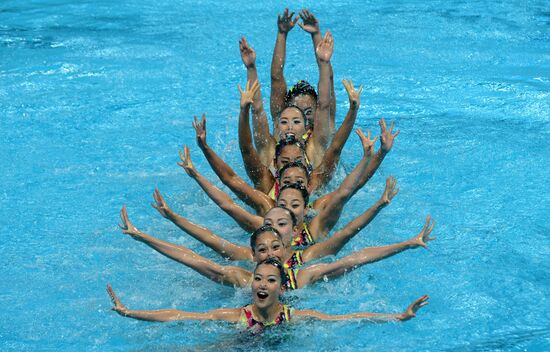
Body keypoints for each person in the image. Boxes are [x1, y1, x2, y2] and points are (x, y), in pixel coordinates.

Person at [117, 207, 435, 290]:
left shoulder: (304, 275)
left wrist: (407, 243)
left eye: (275, 247)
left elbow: (356, 258)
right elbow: (194, 259)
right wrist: (143, 236)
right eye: (263, 249)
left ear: (286, 250)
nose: (269, 253)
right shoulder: (243, 280)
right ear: (253, 255)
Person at [107, 259, 429, 331]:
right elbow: (181, 315)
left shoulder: (295, 316)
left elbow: (345, 317)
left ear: (280, 287)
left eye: (270, 280)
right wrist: (131, 312)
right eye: (257, 279)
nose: (261, 284)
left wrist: (398, 316)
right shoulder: (236, 315)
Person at [151, 175, 398, 263]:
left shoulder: (306, 260)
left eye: (281, 225)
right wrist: (172, 217)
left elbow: (350, 237)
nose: (274, 232)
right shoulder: (250, 264)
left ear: (295, 227)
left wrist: (378, 204)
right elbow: (204, 247)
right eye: (269, 225)